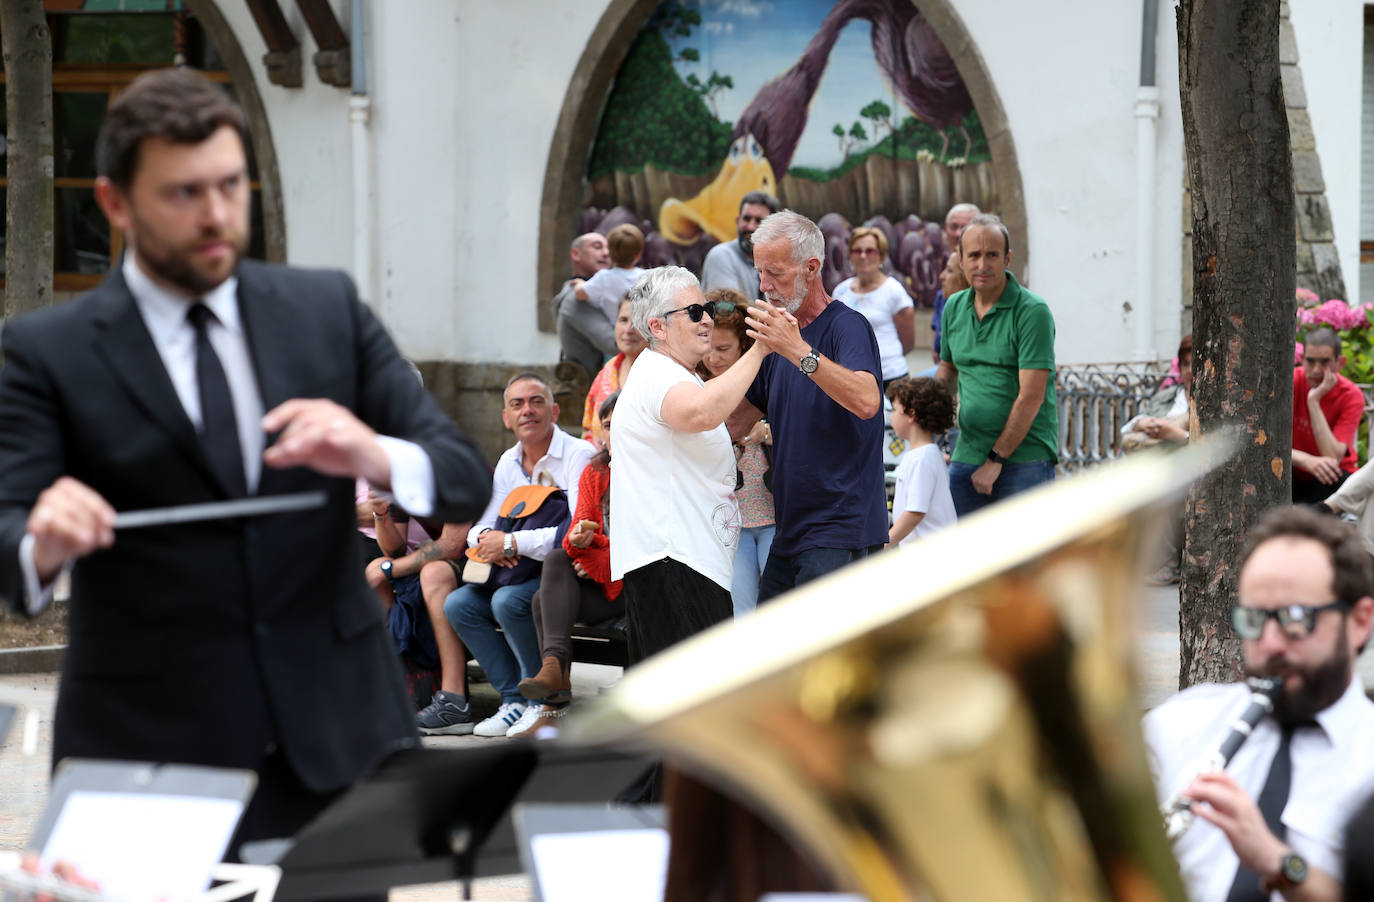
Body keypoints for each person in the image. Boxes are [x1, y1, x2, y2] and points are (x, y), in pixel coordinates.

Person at [0, 69, 490, 855]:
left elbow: (462, 473)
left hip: (339, 744)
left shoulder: (324, 308)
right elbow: (10, 548)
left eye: (231, 186)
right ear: (116, 203)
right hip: (145, 757)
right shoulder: (45, 351)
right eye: (183, 193)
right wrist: (45, 539)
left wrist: (370, 450)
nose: (217, 214)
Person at [1143, 505, 1374, 902]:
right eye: (1253, 618)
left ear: (1359, 622)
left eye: (1296, 617)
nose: (1269, 643)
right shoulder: (1179, 723)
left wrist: (1278, 862)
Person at [610, 266, 772, 663]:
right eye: (695, 312)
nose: (708, 320)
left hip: (687, 560)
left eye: (709, 308)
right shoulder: (658, 374)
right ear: (658, 327)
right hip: (674, 561)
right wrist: (761, 350)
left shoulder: (675, 374)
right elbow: (699, 414)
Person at [730, 210, 887, 601]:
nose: (765, 286)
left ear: (811, 268)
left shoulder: (846, 326)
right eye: (759, 272)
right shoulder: (775, 341)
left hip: (840, 529)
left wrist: (797, 349)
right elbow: (733, 423)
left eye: (775, 272)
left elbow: (867, 401)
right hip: (789, 530)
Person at [442, 373, 593, 738]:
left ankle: (542, 700)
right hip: (512, 571)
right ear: (506, 418)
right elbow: (479, 526)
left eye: (536, 401)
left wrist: (511, 543)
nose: (528, 410)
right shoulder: (508, 462)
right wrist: (491, 538)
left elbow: (573, 529)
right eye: (517, 404)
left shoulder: (578, 454)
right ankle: (513, 699)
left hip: (562, 574)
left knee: (508, 602)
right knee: (458, 604)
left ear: (554, 410)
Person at [512, 391, 624, 739]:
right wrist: (581, 546)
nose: (612, 430)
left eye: (620, 421)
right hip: (600, 581)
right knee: (558, 561)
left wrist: (592, 555)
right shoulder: (596, 471)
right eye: (605, 425)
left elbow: (637, 549)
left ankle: (553, 700)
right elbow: (575, 534)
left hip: (632, 585)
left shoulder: (650, 471)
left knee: (540, 601)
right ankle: (553, 676)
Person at [935, 212, 1058, 516]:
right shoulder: (953, 307)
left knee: (1026, 560)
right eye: (974, 255)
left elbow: (1031, 396)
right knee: (971, 558)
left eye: (992, 255)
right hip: (967, 453)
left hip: (1025, 458)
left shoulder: (1032, 311)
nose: (982, 264)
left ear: (1007, 258)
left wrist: (995, 461)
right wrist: (926, 416)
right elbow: (948, 370)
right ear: (960, 259)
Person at [698, 289, 775, 615]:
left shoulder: (768, 378)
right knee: (741, 607)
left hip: (774, 514)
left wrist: (769, 431)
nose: (714, 357)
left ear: (745, 344)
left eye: (723, 348)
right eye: (708, 348)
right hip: (730, 521)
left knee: (777, 604)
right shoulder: (694, 388)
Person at [832, 227, 915, 391]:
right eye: (857, 251)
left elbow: (908, 342)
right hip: (851, 378)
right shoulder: (840, 291)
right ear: (850, 255)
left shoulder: (894, 291)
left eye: (870, 251)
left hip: (891, 378)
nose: (863, 256)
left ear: (882, 256)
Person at [1292, 328, 1364, 505]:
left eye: (1325, 362)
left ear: (1340, 363)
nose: (1316, 370)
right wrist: (1305, 460)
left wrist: (1313, 401)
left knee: (1330, 474)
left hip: (1331, 475)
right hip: (1294, 469)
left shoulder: (1351, 395)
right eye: (1310, 361)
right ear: (1302, 359)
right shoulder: (1291, 381)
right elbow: (1267, 441)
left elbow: (1332, 456)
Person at [884, 377, 956, 546]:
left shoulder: (922, 459)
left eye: (895, 410)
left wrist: (886, 543)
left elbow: (915, 512)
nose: (892, 417)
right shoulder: (925, 454)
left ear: (911, 414)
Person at [582, 296, 646, 447]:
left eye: (637, 321)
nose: (628, 329)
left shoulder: (663, 373)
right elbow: (588, 429)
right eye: (623, 320)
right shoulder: (606, 372)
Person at [700, 190, 781, 302]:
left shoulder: (778, 260)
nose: (751, 227)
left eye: (759, 221)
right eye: (746, 219)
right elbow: (727, 310)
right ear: (738, 221)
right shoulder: (721, 256)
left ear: (773, 227)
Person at [554, 231, 613, 378]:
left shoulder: (595, 293)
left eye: (609, 248)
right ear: (576, 254)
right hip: (590, 391)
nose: (606, 253)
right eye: (597, 247)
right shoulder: (576, 297)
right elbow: (614, 344)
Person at [930, 202, 980, 365]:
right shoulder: (943, 294)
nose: (958, 233)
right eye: (954, 227)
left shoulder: (984, 286)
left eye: (965, 227)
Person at [573, 223, 645, 327]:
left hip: (616, 330)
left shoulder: (604, 277)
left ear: (609, 252)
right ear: (639, 254)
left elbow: (580, 294)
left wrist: (580, 282)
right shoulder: (646, 276)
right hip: (641, 331)